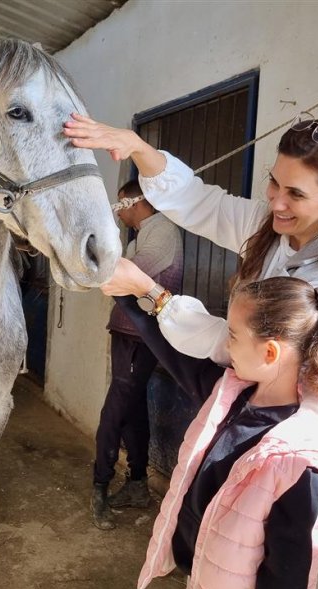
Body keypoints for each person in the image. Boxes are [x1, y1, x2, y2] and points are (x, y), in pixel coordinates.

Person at [64, 112, 318, 589]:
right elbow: (203, 204)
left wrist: (150, 293)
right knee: (233, 561)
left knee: (293, 582)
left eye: (296, 194)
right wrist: (138, 148)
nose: (277, 201)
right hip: (257, 409)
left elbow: (231, 347)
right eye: (274, 182)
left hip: (288, 432)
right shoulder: (272, 228)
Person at [138, 277, 318, 589]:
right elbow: (172, 354)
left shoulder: (295, 460)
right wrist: (135, 293)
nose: (226, 343)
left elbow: (286, 585)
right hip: (206, 587)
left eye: (233, 336)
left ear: (269, 353)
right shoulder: (234, 395)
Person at [91, 179, 184, 530]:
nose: (119, 213)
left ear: (136, 202)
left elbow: (122, 275)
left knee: (116, 407)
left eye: (120, 205)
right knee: (131, 407)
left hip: (139, 334)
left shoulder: (162, 232)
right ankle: (137, 484)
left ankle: (99, 486)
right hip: (131, 332)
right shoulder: (142, 235)